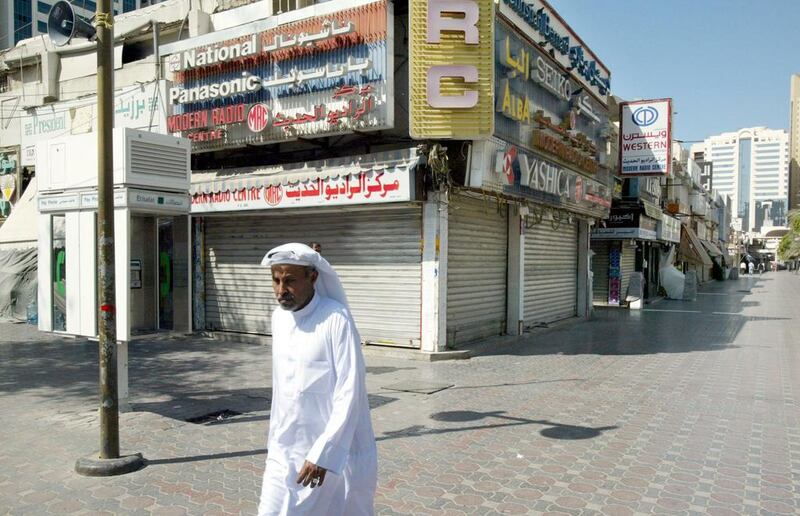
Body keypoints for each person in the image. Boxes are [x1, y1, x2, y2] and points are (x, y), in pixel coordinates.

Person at [258, 243, 377, 516]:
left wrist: (323, 453)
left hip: (325, 456)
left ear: (313, 277)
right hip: (282, 449)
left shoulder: (336, 319)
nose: (280, 290)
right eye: (275, 280)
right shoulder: (279, 318)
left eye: (289, 281)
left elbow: (349, 391)